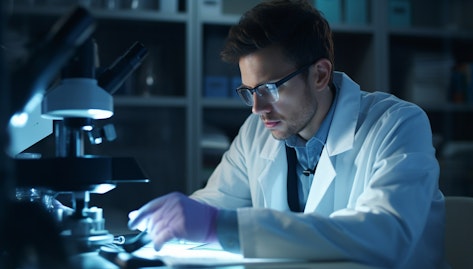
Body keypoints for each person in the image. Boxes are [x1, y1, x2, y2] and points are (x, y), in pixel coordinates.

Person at [128, 0, 446, 268]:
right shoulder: (257, 132)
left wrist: (216, 226)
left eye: (268, 89)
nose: (257, 108)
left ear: (320, 74)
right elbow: (214, 206)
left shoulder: (398, 124)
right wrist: (169, 223)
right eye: (248, 91)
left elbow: (386, 235)